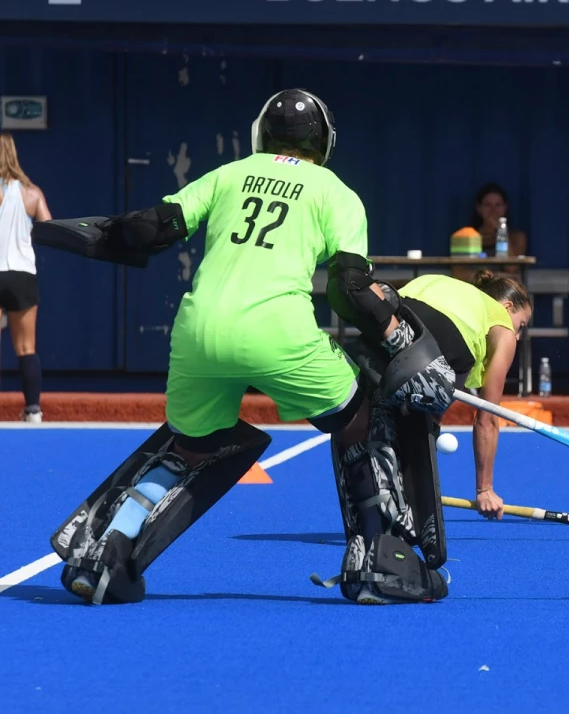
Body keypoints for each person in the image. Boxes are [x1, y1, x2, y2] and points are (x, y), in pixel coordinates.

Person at [39, 89, 456, 606]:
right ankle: (375, 561)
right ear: (324, 142)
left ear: (262, 133)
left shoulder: (228, 174)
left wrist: (104, 232)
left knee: (188, 448)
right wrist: (397, 337)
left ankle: (110, 549)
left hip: (198, 333)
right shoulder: (336, 191)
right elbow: (348, 292)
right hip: (276, 331)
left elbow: (152, 227)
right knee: (358, 419)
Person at [395, 270, 532, 520]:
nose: (518, 336)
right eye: (521, 325)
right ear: (508, 306)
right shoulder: (501, 325)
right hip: (445, 339)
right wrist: (485, 489)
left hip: (391, 314)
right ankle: (411, 490)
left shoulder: (449, 287)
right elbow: (488, 417)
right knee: (428, 413)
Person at [0, 132, 51, 423]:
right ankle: (33, 410)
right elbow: (48, 227)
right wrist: (25, 233)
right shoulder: (32, 193)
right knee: (26, 347)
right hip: (22, 276)